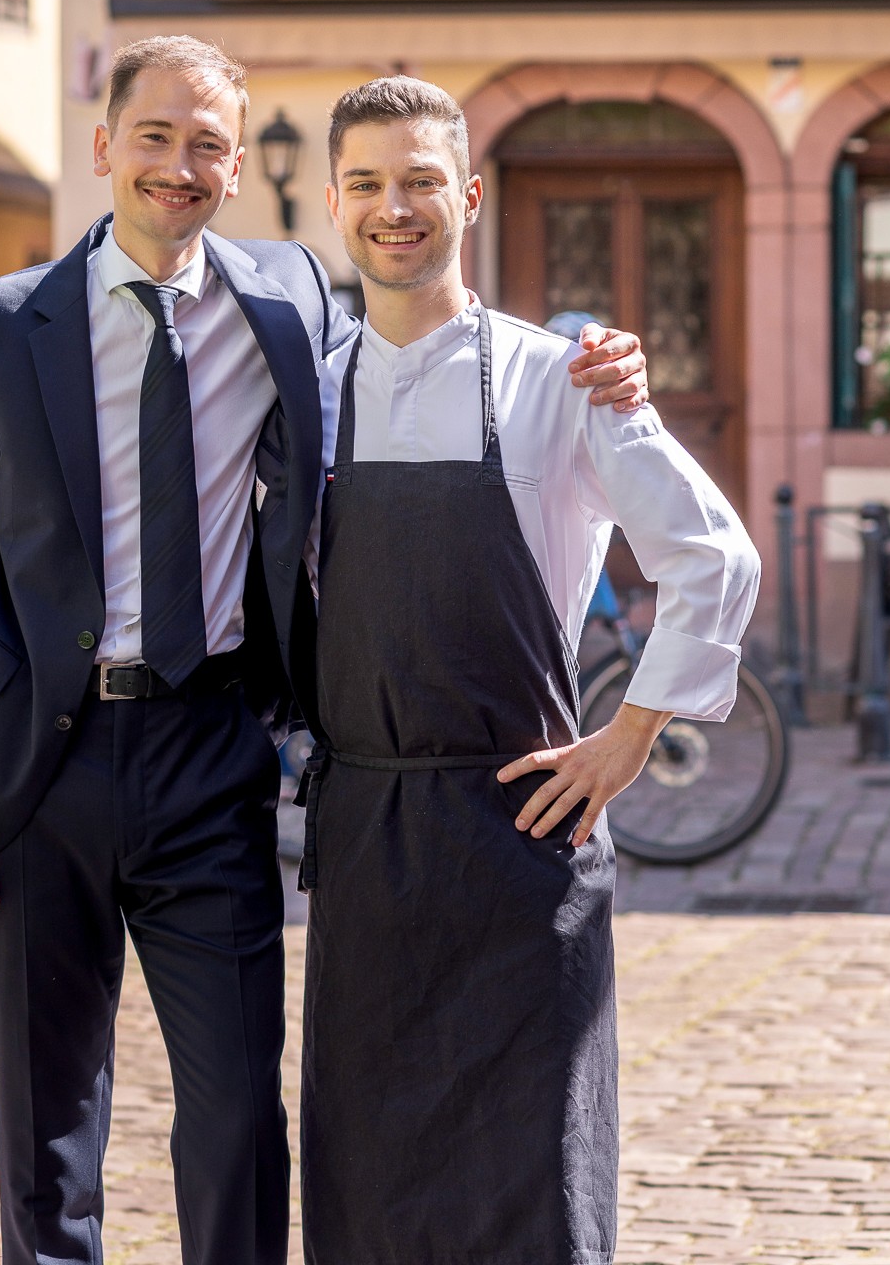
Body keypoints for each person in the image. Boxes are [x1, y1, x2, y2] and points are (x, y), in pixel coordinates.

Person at [0, 33, 650, 1265]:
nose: (179, 165)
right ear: (105, 144)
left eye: (207, 143)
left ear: (239, 166)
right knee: (46, 1128)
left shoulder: (288, 301)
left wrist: (601, 358)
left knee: (242, 1112)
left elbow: (431, 346)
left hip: (210, 752)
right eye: (155, 135)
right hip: (33, 768)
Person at [299, 76, 761, 1265]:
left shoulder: (563, 377)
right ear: (333, 202)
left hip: (525, 836)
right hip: (365, 838)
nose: (394, 207)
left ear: (468, 196)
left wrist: (630, 736)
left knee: (534, 1188)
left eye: (419, 180)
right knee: (369, 1185)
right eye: (366, 183)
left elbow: (713, 556)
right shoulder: (307, 390)